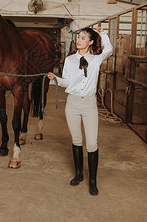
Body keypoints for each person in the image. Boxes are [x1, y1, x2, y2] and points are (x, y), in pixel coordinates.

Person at [47, 27, 113, 196]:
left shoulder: (96, 59)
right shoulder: (69, 60)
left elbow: (110, 49)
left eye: (83, 38)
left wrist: (103, 33)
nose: (79, 40)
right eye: (78, 37)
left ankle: (93, 181)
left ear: (90, 42)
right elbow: (67, 82)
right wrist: (55, 80)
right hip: (73, 104)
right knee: (77, 140)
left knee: (92, 143)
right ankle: (79, 175)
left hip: (89, 104)